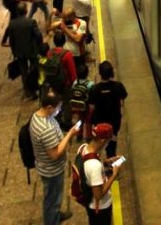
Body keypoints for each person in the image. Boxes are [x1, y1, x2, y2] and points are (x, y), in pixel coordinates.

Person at [29, 90, 77, 224]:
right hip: (52, 170)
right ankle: (52, 220)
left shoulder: (37, 115)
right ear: (49, 107)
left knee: (52, 196)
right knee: (53, 198)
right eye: (58, 107)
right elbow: (55, 154)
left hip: (45, 166)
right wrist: (70, 134)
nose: (59, 110)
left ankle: (54, 215)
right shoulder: (45, 129)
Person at [79, 123, 123, 225]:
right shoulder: (95, 165)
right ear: (103, 140)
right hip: (100, 209)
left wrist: (106, 162)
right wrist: (114, 175)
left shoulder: (84, 148)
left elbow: (87, 168)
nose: (108, 143)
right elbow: (98, 195)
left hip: (91, 204)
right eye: (108, 140)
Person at [88, 61, 127, 158]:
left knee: (98, 143)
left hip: (99, 122)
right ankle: (111, 162)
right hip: (114, 122)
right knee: (112, 144)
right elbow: (122, 102)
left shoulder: (94, 89)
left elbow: (91, 107)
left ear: (100, 73)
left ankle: (97, 159)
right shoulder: (118, 86)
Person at [5, 2, 42, 99]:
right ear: (26, 11)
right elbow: (38, 36)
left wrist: (14, 51)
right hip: (31, 50)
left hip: (19, 51)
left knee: (23, 71)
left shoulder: (12, 24)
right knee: (33, 69)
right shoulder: (31, 22)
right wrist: (39, 46)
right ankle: (34, 89)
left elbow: (11, 40)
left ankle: (27, 90)